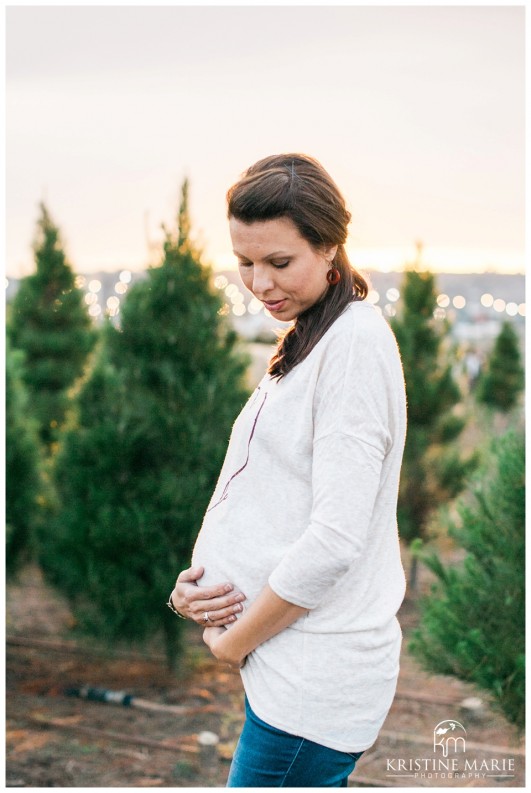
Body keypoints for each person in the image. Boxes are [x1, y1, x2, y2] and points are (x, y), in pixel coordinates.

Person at [168, 153, 407, 788]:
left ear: (330, 247)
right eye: (245, 262)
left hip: (312, 683)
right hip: (289, 670)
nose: (259, 282)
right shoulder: (311, 338)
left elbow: (334, 542)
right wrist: (196, 593)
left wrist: (232, 641)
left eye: (279, 262)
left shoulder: (353, 345)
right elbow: (271, 499)